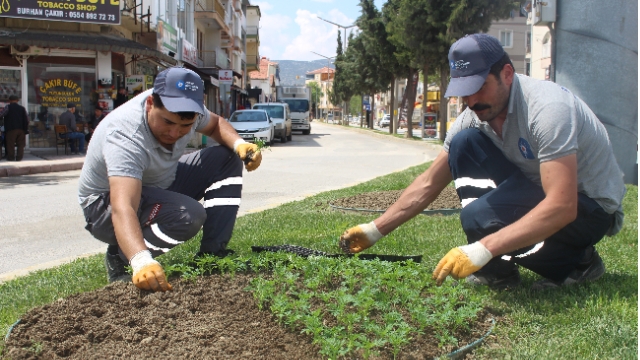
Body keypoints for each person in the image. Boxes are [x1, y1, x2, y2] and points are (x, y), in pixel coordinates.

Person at [339, 34, 625, 291]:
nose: (472, 100)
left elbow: (562, 206)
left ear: (507, 74)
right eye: (465, 91)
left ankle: (579, 262)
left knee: (479, 218)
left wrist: (483, 248)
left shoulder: (547, 110)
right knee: (462, 145)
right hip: (539, 189)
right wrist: (375, 229)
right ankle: (498, 274)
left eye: (480, 86)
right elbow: (429, 182)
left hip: (588, 207)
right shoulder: (474, 115)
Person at [78, 67, 262, 292]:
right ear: (150, 105)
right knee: (189, 215)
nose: (174, 133)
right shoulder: (126, 136)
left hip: (157, 185)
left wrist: (239, 144)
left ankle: (213, 254)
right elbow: (123, 206)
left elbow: (215, 124)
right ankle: (122, 257)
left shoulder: (188, 109)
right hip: (104, 207)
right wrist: (141, 260)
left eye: (185, 126)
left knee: (227, 157)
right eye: (167, 123)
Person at [0, 95, 30, 161]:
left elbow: (1, 115)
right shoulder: (22, 108)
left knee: (10, 144)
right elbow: (27, 119)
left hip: (11, 129)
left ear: (10, 101)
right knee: (20, 145)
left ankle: (11, 158)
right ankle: (19, 158)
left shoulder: (8, 107)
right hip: (21, 129)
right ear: (17, 101)